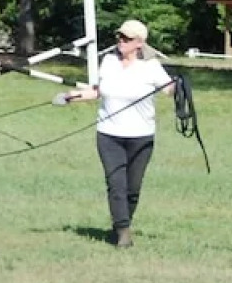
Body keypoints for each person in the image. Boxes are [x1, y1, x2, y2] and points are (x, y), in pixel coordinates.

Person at [55, 19, 174, 248]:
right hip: (109, 134)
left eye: (127, 38)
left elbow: (169, 89)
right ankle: (123, 232)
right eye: (119, 37)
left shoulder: (151, 66)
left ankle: (121, 222)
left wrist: (180, 87)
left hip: (141, 136)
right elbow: (99, 91)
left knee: (133, 188)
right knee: (116, 183)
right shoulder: (108, 61)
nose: (121, 41)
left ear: (139, 43)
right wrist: (70, 96)